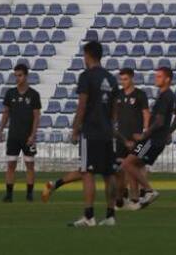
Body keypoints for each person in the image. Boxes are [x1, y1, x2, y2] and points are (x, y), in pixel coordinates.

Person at [41, 41, 117, 227]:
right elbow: (115, 111)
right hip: (108, 133)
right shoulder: (111, 78)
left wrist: (75, 130)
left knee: (87, 172)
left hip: (91, 132)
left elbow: (82, 105)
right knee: (109, 174)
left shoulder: (86, 76)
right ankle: (110, 216)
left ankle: (89, 216)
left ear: (88, 55)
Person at [119, 66, 176, 211]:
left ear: (167, 79)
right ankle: (135, 200)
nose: (156, 78)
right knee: (134, 164)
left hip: (151, 140)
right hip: (156, 139)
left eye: (159, 76)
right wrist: (169, 131)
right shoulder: (170, 95)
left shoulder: (165, 96)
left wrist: (144, 135)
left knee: (127, 164)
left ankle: (149, 191)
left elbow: (159, 121)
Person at [0, 63, 40, 203]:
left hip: (28, 136)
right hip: (13, 136)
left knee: (30, 165)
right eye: (16, 76)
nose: (17, 78)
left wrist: (33, 135)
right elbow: (6, 113)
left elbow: (37, 116)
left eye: (20, 75)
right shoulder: (10, 93)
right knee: (10, 165)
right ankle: (9, 194)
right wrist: (1, 129)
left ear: (26, 76)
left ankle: (29, 194)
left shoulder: (34, 95)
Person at [112, 68, 149, 208]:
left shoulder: (140, 95)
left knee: (136, 168)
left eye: (126, 79)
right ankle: (121, 197)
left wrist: (145, 132)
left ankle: (136, 197)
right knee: (120, 169)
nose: (123, 82)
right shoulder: (118, 95)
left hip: (136, 138)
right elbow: (114, 115)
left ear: (132, 78)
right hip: (121, 138)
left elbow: (146, 114)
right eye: (121, 79)